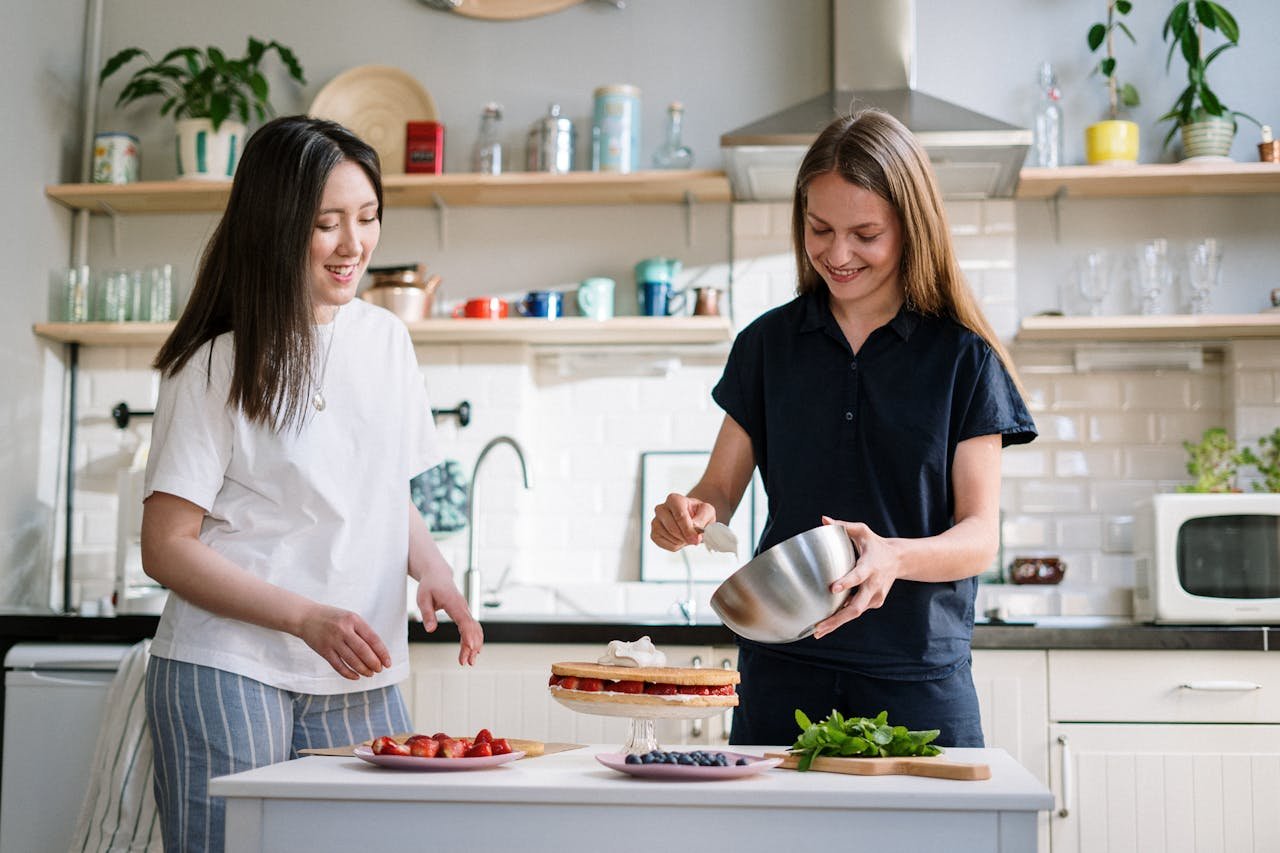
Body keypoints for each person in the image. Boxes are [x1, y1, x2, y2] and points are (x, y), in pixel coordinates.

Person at [139, 115, 482, 853]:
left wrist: (435, 570)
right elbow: (166, 547)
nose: (354, 244)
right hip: (229, 665)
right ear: (276, 225)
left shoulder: (386, 339)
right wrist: (303, 617)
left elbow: (383, 489)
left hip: (359, 667)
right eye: (327, 223)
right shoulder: (214, 361)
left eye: (367, 218)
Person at [650, 109, 1036, 748]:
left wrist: (893, 555)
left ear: (911, 230)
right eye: (819, 228)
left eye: (865, 233)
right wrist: (689, 514)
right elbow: (718, 488)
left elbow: (979, 538)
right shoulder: (766, 345)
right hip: (783, 669)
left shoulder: (963, 358)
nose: (837, 253)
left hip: (917, 678)